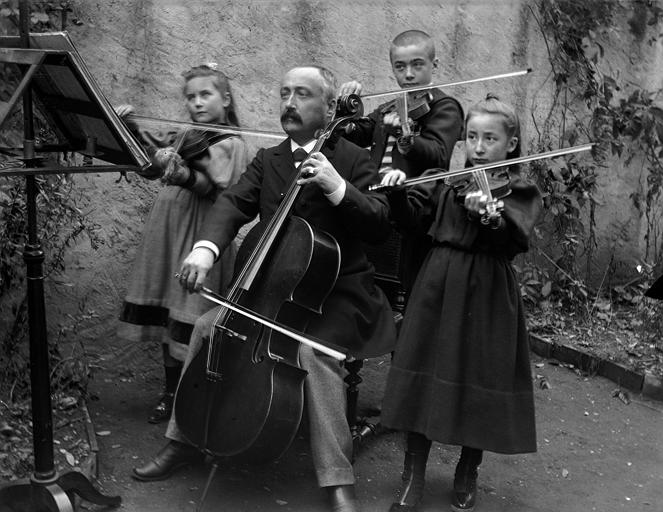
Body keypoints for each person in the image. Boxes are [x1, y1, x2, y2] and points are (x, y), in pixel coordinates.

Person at [131, 65, 397, 512]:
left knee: (314, 354)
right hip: (271, 288)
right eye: (284, 93)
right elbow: (233, 202)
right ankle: (182, 441)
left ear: (329, 107)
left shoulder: (352, 158)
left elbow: (378, 222)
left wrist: (336, 186)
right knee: (206, 327)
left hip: (335, 293)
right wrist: (204, 250)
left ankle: (337, 480)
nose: (289, 103)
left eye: (303, 94)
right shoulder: (269, 160)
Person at [379, 94, 541, 512]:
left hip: (487, 291)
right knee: (423, 374)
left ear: (511, 144)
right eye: (471, 137)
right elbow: (413, 224)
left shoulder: (518, 191)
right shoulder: (445, 181)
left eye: (490, 138)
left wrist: (488, 216)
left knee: (479, 377)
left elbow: (512, 238)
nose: (479, 146)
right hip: (438, 282)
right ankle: (412, 474)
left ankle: (467, 470)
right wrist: (397, 193)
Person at [116, 64, 248, 424]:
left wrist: (183, 171)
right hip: (168, 225)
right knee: (167, 310)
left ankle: (196, 398)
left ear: (226, 98)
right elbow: (152, 162)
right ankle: (170, 392)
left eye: (205, 94)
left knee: (189, 309)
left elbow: (216, 186)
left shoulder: (232, 142)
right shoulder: (187, 134)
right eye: (190, 97)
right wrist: (130, 130)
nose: (197, 103)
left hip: (201, 232)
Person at [339, 29, 463, 295]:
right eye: (400, 66)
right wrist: (345, 110)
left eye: (417, 65)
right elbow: (355, 135)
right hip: (376, 206)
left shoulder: (445, 107)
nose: (408, 74)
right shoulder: (388, 108)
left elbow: (439, 155)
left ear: (434, 65)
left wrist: (405, 137)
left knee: (406, 288)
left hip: (413, 209)